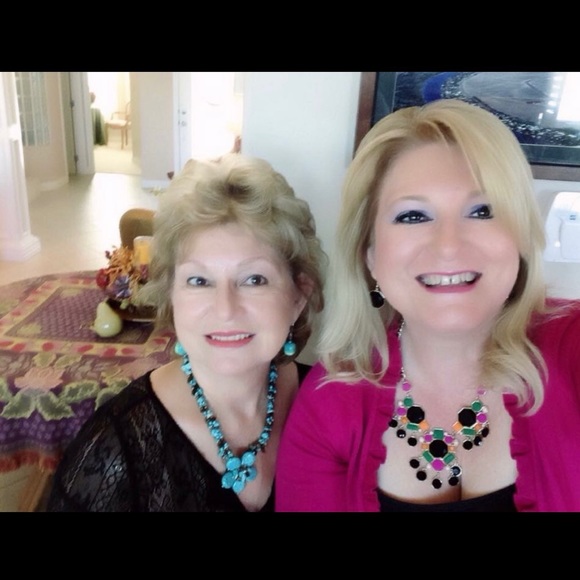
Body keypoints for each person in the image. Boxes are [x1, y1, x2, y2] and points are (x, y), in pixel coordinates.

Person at [275, 98, 580, 512]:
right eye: (413, 217)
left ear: (521, 237)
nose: (448, 245)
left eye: (482, 210)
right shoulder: (328, 405)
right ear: (369, 255)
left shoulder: (571, 346)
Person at [46, 153, 326, 512]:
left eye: (254, 279)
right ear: (171, 297)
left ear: (298, 297)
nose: (225, 309)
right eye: (199, 280)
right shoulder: (115, 451)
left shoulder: (331, 405)